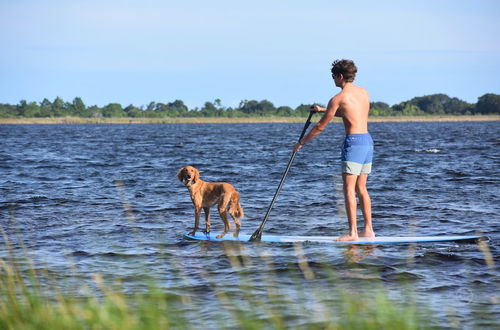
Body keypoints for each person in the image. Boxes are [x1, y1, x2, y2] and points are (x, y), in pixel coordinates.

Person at [293, 59, 374, 241]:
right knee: (362, 188)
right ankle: (368, 230)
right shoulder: (363, 93)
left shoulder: (338, 98)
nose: (332, 80)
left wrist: (301, 143)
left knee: (348, 189)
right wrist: (323, 109)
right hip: (367, 141)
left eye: (333, 77)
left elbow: (320, 127)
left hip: (353, 143)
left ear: (339, 76)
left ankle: (353, 233)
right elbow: (349, 111)